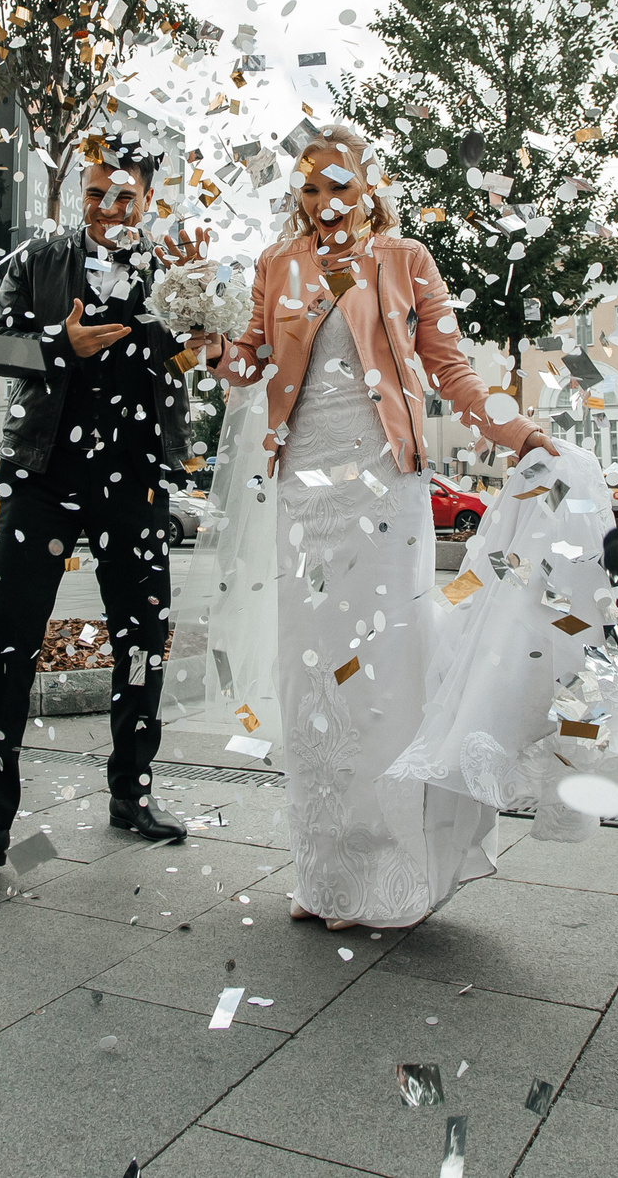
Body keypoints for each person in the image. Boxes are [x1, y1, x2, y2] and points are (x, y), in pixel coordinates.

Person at [210, 122, 553, 930]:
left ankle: (390, 870)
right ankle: (323, 871)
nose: (326, 201)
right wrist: (204, 343)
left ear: (370, 183)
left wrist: (514, 431)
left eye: (341, 183)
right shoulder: (274, 263)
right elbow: (249, 365)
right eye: (311, 187)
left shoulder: (406, 259)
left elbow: (451, 369)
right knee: (312, 682)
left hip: (382, 496)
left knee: (382, 674)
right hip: (303, 498)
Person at [0, 146, 207, 874]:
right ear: (81, 193)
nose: (108, 207)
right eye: (96, 193)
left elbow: (183, 359)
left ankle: (132, 792)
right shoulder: (38, 260)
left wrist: (198, 335)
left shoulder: (171, 269)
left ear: (147, 197)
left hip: (136, 476)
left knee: (142, 637)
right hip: (44, 473)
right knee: (9, 639)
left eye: (123, 196)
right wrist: (61, 343)